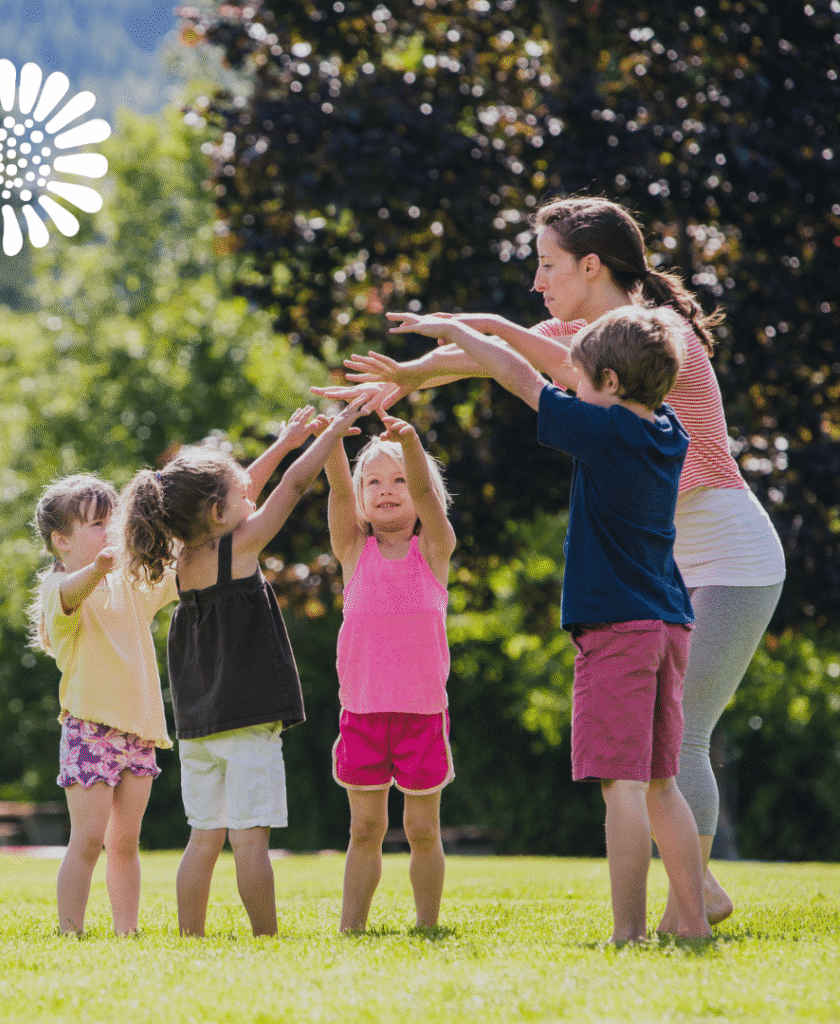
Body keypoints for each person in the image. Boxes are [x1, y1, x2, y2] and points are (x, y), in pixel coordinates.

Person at [315, 196, 784, 929]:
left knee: (677, 740)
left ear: (591, 265)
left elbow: (521, 364)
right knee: (662, 755)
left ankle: (686, 906)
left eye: (547, 263)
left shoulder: (652, 337)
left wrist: (451, 350)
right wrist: (408, 374)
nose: (537, 281)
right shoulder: (602, 344)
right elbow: (490, 357)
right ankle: (699, 899)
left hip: (728, 556)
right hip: (662, 575)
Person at [393, 303, 709, 941]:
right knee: (660, 783)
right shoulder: (668, 430)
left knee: (619, 785)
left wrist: (460, 333)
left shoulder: (606, 431)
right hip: (670, 622)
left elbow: (522, 379)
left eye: (584, 380)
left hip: (617, 628)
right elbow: (568, 374)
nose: (573, 386)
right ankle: (695, 923)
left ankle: (629, 931)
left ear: (612, 386)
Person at [118, 399, 369, 937]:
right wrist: (334, 433)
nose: (249, 496)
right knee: (251, 839)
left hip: (199, 726)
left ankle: (191, 937)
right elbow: (295, 485)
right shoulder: (242, 545)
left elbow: (239, 491)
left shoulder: (185, 556)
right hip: (248, 721)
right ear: (216, 511)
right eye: (239, 495)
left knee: (204, 836)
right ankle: (265, 938)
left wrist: (283, 441)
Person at [325, 413, 456, 932]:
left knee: (423, 830)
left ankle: (427, 925)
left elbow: (426, 490)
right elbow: (337, 489)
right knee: (365, 828)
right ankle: (351, 926)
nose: (386, 491)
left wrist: (410, 443)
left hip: (422, 717)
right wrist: (332, 441)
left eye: (398, 479)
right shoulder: (353, 551)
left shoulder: (435, 551)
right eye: (373, 482)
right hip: (362, 716)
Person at [31, 473, 176, 936]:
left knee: (126, 841)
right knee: (89, 839)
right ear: (62, 541)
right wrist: (97, 569)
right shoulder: (60, 587)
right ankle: (70, 930)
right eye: (96, 525)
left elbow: (182, 560)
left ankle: (126, 932)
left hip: (140, 729)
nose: (108, 533)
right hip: (90, 728)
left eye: (112, 523)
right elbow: (71, 596)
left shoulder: (129, 585)